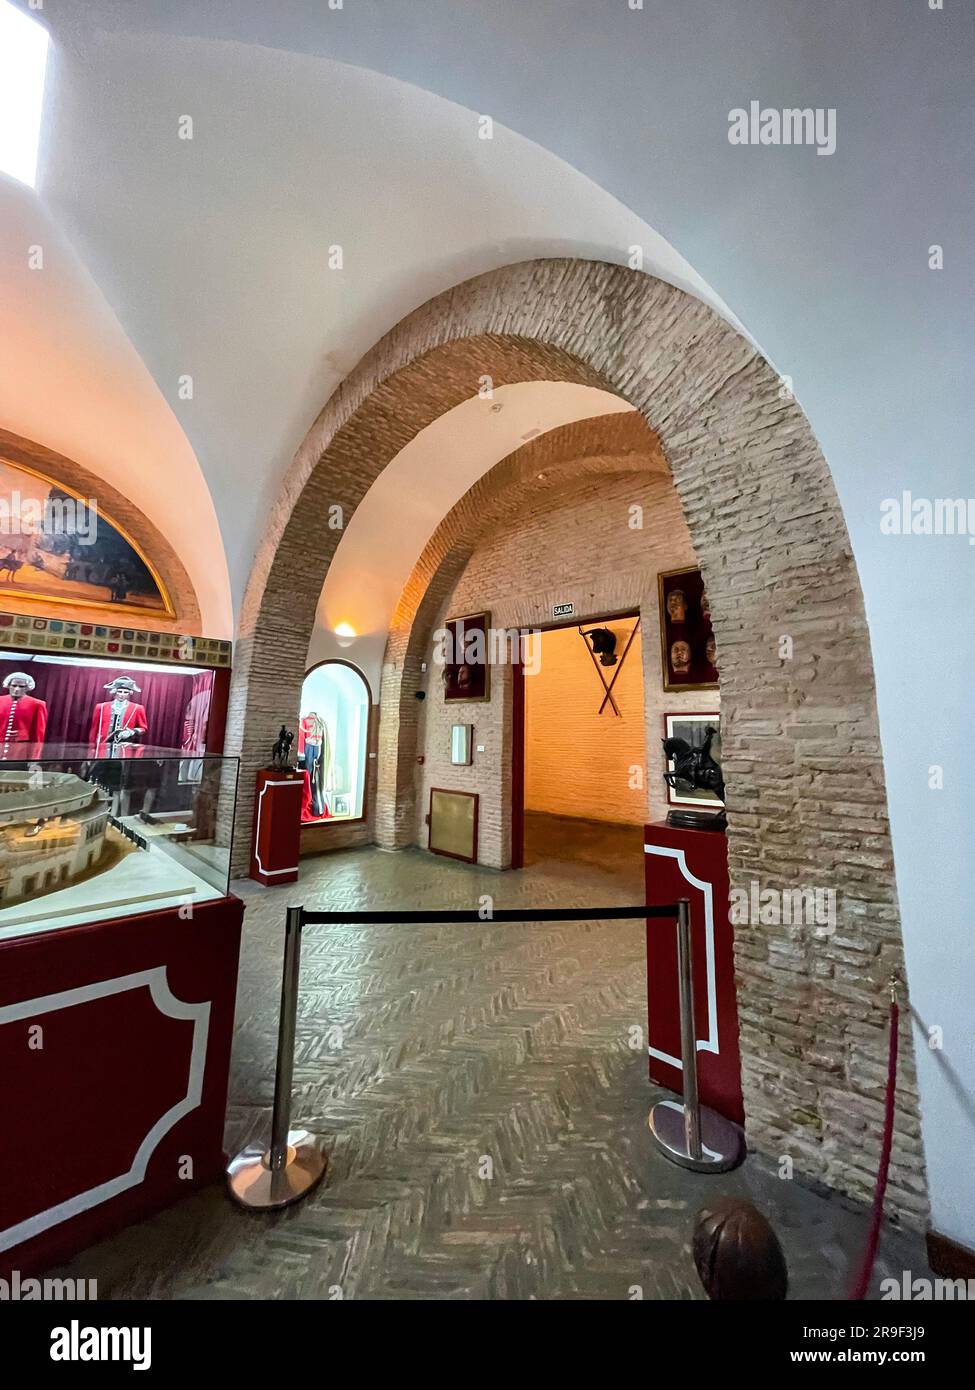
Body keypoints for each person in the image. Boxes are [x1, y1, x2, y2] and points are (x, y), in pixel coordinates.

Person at [89, 676, 149, 758]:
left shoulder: (137, 708)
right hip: (102, 748)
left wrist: (131, 732)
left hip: (124, 749)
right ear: (114, 692)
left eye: (125, 692)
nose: (122, 695)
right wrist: (91, 749)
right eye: (120, 691)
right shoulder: (101, 707)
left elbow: (143, 728)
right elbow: (94, 729)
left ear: (130, 693)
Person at [0, 671, 48, 760]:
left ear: (27, 688)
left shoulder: (37, 704)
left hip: (20, 750)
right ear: (8, 685)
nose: (17, 689)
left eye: (21, 686)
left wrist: (34, 757)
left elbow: (38, 734)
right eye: (14, 685)